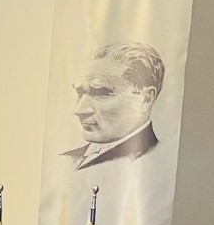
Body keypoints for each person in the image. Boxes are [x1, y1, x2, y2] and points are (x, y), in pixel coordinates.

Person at [61, 41, 166, 169]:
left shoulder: (155, 163)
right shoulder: (66, 160)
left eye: (102, 93)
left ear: (145, 99)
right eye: (79, 92)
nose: (79, 110)